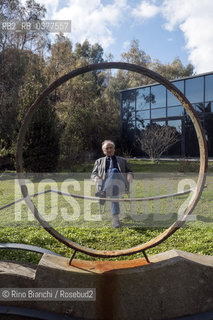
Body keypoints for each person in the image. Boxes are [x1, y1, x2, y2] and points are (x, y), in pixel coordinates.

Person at [91, 140, 133, 228]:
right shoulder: (99, 161)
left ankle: (104, 193)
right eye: (107, 148)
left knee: (114, 171)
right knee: (114, 192)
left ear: (114, 149)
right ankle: (115, 219)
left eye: (111, 148)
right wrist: (96, 178)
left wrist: (129, 175)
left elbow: (129, 171)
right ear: (103, 151)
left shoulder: (122, 160)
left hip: (120, 183)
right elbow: (93, 174)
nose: (109, 150)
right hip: (107, 185)